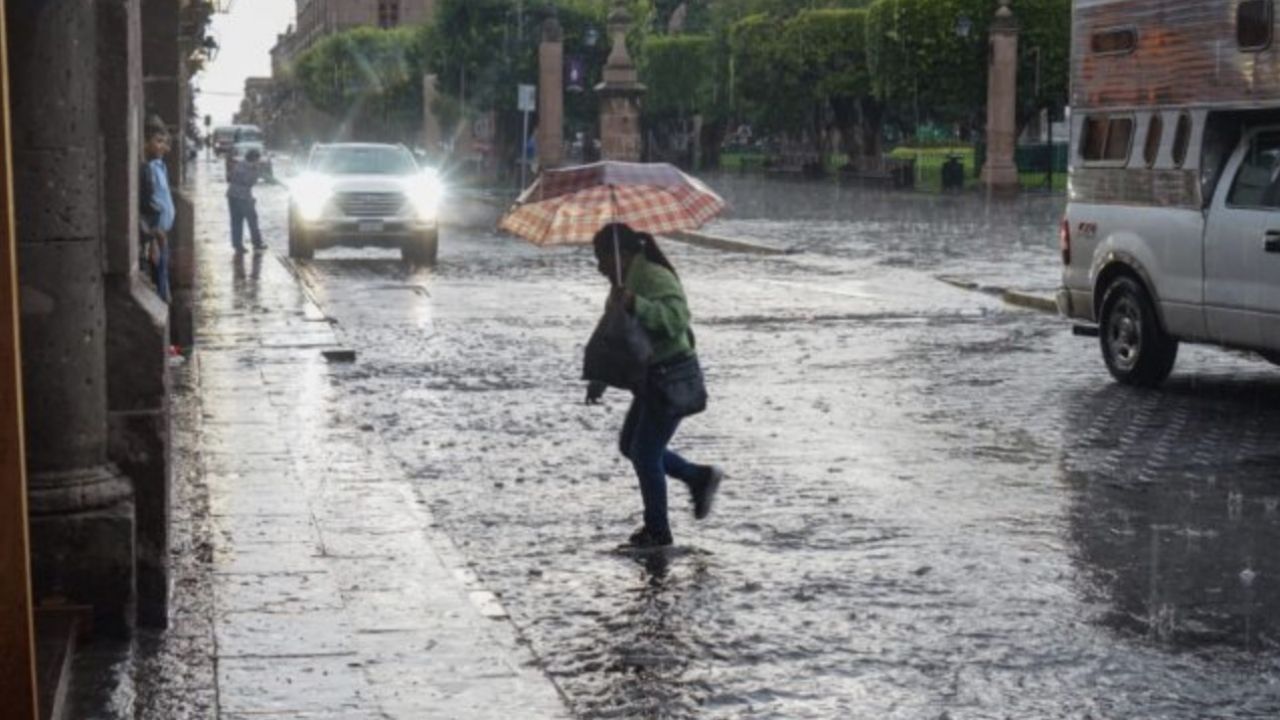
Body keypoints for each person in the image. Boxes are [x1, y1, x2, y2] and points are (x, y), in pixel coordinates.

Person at [587, 223, 724, 549]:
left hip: (671, 376)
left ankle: (657, 531)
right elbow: (614, 334)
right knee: (630, 446)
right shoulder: (622, 284)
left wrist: (637, 304)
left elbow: (676, 318)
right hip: (650, 379)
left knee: (645, 454)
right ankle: (697, 477)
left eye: (602, 257)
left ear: (621, 254)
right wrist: (599, 378)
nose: (599, 266)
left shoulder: (653, 277)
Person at [140, 119, 175, 302]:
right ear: (145, 142)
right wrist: (153, 233)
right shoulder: (147, 169)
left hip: (163, 232)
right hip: (155, 232)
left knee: (163, 270)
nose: (164, 148)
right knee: (158, 272)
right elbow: (147, 201)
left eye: (165, 143)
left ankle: (165, 295)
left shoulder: (161, 166)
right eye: (159, 142)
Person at [227, 148, 264, 253]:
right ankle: (257, 243)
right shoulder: (251, 168)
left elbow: (229, 177)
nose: (258, 162)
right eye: (257, 159)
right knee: (252, 219)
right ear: (254, 158)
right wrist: (256, 171)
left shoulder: (239, 165)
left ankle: (237, 245)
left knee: (236, 221)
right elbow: (249, 182)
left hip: (232, 195)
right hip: (243, 197)